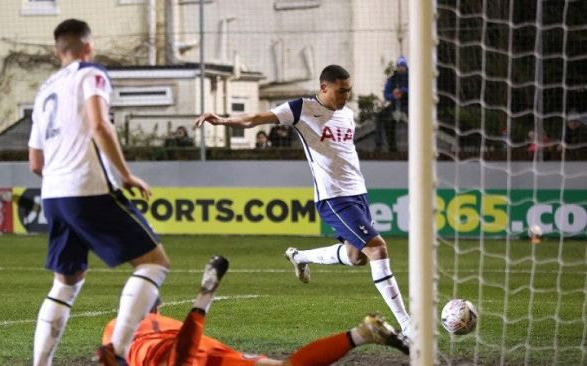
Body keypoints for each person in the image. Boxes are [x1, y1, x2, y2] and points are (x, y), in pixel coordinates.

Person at [194, 65, 412, 339]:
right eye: (340, 90)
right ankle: (407, 326)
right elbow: (257, 118)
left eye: (348, 90)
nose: (346, 96)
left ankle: (299, 257)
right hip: (334, 197)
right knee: (378, 250)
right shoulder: (301, 109)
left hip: (358, 193)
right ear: (323, 88)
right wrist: (225, 121)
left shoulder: (347, 114)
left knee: (357, 258)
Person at [28, 19, 170, 366]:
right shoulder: (91, 73)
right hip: (87, 186)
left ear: (57, 50)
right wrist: (125, 175)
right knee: (154, 263)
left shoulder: (45, 88)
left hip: (53, 193)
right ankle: (117, 352)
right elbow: (98, 123)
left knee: (67, 280)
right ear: (87, 46)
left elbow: (35, 161)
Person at [101, 256, 409, 366]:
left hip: (179, 354)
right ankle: (363, 333)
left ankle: (204, 296)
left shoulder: (115, 328)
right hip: (200, 351)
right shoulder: (155, 318)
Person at [376, 56, 409, 152]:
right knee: (381, 117)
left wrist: (403, 91)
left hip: (408, 105)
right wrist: (393, 95)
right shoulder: (392, 79)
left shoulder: (412, 78)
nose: (401, 68)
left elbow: (416, 91)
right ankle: (384, 145)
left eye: (402, 66)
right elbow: (386, 94)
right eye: (399, 66)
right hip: (395, 104)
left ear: (406, 67)